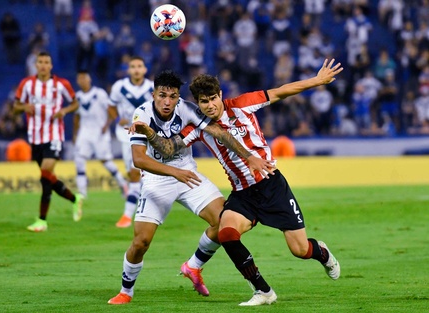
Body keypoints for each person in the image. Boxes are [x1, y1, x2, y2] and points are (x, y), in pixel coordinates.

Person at [131, 59, 343, 306]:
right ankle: (263, 291)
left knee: (300, 250)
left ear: (220, 95)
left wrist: (316, 81)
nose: (209, 105)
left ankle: (323, 253)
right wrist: (147, 132)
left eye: (213, 99)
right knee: (227, 232)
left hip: (272, 186)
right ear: (197, 103)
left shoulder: (243, 105)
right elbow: (168, 148)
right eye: (203, 101)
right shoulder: (199, 127)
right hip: (243, 193)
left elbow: (280, 91)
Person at [108, 70, 272, 305]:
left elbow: (218, 132)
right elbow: (140, 160)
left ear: (178, 97)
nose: (167, 101)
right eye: (162, 95)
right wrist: (176, 172)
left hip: (188, 174)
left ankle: (193, 266)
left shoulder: (187, 109)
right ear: (153, 94)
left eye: (173, 96)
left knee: (224, 223)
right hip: (157, 180)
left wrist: (248, 156)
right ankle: (126, 291)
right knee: (141, 242)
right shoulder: (141, 114)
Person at [14, 51, 83, 232]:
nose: (44, 65)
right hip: (35, 137)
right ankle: (75, 199)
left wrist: (64, 111)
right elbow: (15, 108)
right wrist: (24, 107)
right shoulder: (27, 84)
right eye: (40, 62)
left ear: (51, 66)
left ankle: (42, 221)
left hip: (54, 134)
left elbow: (75, 103)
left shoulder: (61, 84)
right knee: (48, 178)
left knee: (45, 173)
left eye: (47, 62)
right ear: (35, 65)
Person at [108, 56, 154, 228]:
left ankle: (128, 215)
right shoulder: (119, 87)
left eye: (139, 66)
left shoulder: (152, 88)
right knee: (134, 173)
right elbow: (111, 106)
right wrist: (117, 118)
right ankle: (137, 210)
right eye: (133, 66)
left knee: (139, 174)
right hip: (126, 134)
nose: (136, 69)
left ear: (144, 69)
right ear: (128, 70)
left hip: (148, 135)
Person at [73, 70, 127, 199]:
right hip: (84, 132)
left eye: (84, 78)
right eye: (80, 79)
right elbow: (77, 116)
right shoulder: (78, 96)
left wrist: (107, 124)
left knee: (105, 161)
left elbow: (110, 109)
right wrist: (75, 133)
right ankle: (82, 193)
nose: (82, 81)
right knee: (79, 159)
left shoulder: (99, 94)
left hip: (99, 132)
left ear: (89, 79)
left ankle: (123, 183)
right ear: (77, 81)